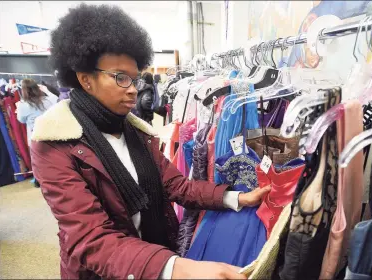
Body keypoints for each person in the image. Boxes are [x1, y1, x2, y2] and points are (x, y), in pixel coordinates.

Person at [30, 4, 269, 280]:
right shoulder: (55, 145)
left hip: (155, 256)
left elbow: (176, 186)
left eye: (134, 78)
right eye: (120, 78)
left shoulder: (138, 135)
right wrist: (175, 267)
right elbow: (89, 236)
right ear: (85, 79)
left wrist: (234, 197)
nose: (132, 88)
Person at [16, 78, 58, 146]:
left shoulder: (22, 105)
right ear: (37, 88)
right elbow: (57, 99)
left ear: (23, 90)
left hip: (37, 138)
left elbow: (21, 120)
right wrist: (46, 90)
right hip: (52, 135)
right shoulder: (48, 100)